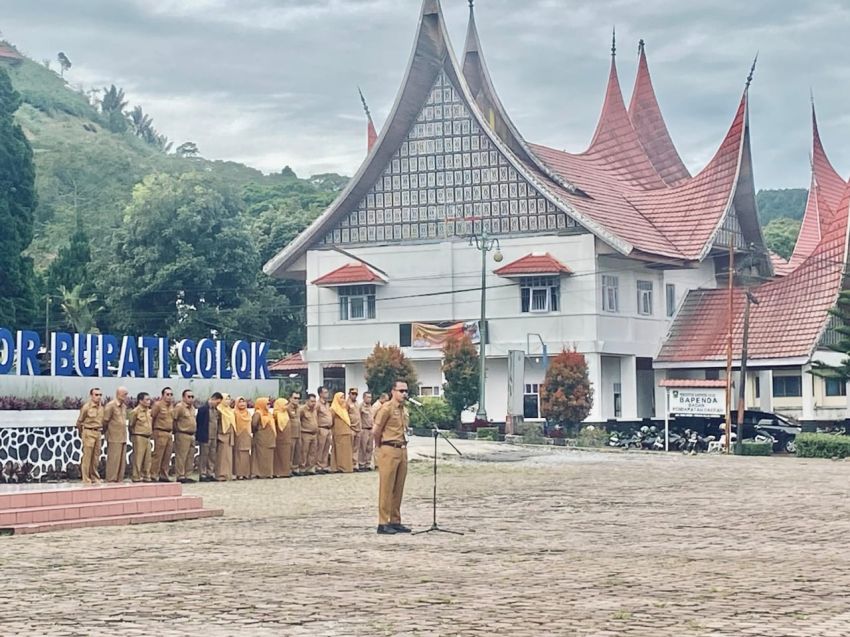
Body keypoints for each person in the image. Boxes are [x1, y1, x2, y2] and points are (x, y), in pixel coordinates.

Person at [374, 380, 411, 534]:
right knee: (386, 487)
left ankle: (395, 520)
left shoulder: (404, 409)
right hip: (389, 448)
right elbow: (376, 430)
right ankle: (383, 522)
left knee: (398, 487)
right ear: (393, 391)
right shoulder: (386, 408)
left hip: (402, 448)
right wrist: (380, 446)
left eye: (405, 391)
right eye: (401, 391)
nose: (404, 394)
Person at [75, 388, 104, 484]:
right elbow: (79, 422)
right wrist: (82, 433)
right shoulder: (86, 407)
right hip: (88, 432)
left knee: (95, 457)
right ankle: (86, 477)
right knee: (87, 456)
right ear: (91, 396)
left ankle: (94, 476)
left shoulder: (101, 408)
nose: (98, 397)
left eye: (100, 395)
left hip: (98, 432)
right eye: (96, 395)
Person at [102, 386, 129, 482]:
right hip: (113, 436)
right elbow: (105, 421)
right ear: (118, 394)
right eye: (124, 394)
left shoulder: (124, 407)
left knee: (121, 461)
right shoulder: (111, 406)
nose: (126, 396)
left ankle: (119, 479)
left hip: (122, 436)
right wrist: (106, 432)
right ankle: (111, 479)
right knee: (114, 459)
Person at [172, 389, 198, 483]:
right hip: (182, 434)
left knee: (190, 456)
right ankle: (180, 475)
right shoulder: (179, 407)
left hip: (191, 434)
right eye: (188, 397)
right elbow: (174, 419)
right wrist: (177, 431)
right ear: (183, 397)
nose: (191, 399)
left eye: (192, 397)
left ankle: (188, 474)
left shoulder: (192, 408)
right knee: (181, 456)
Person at [150, 387, 175, 482]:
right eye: (167, 394)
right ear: (163, 395)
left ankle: (164, 475)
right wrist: (152, 431)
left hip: (169, 433)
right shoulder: (158, 405)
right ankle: (153, 474)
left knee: (167, 455)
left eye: (171, 395)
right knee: (158, 455)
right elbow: (152, 417)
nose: (169, 397)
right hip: (160, 431)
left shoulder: (172, 406)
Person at [196, 392, 223, 482]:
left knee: (212, 456)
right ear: (213, 399)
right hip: (205, 435)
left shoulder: (216, 411)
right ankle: (202, 474)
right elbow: (199, 423)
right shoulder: (203, 409)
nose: (217, 404)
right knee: (204, 455)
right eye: (217, 402)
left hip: (213, 436)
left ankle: (210, 473)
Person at [128, 392, 153, 482]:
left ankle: (146, 475)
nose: (149, 401)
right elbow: (131, 425)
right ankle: (136, 476)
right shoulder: (135, 411)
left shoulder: (149, 411)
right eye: (146, 399)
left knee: (148, 458)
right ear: (140, 401)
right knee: (138, 458)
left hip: (147, 436)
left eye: (149, 399)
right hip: (139, 436)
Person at [251, 397, 276, 479]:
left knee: (268, 456)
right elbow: (254, 425)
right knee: (261, 456)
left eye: (269, 404)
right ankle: (259, 473)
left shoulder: (268, 413)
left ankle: (267, 473)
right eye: (267, 404)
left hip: (269, 439)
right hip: (261, 438)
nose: (268, 405)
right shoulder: (258, 413)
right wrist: (258, 432)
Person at [331, 391, 354, 473]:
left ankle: (347, 467)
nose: (343, 399)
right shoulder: (333, 409)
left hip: (347, 431)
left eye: (343, 397)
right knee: (339, 451)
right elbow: (331, 420)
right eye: (341, 397)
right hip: (338, 432)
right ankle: (339, 467)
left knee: (347, 451)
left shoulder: (344, 408)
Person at [216, 394, 236, 481]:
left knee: (228, 456)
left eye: (229, 399)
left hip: (229, 435)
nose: (228, 401)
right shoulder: (219, 410)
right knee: (222, 456)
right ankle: (221, 474)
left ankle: (228, 473)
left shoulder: (230, 411)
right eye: (226, 399)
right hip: (222, 435)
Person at [298, 393, 319, 475]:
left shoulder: (315, 410)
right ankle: (302, 468)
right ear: (307, 401)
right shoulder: (302, 410)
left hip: (314, 434)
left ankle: (310, 468)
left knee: (313, 452)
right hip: (305, 433)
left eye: (314, 401)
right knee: (304, 451)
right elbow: (299, 420)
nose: (313, 403)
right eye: (311, 401)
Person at [233, 397, 252, 479]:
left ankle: (246, 473)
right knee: (238, 454)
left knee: (246, 454)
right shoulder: (234, 413)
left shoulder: (248, 413)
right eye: (239, 402)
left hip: (247, 435)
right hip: (238, 435)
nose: (242, 404)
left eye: (243, 402)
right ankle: (239, 473)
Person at [273, 397, 292, 478]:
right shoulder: (276, 414)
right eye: (285, 404)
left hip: (287, 438)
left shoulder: (286, 413)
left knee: (286, 456)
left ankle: (285, 472)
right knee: (279, 456)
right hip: (280, 439)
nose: (287, 406)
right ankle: (278, 472)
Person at [316, 387, 333, 474]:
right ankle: (318, 466)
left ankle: (324, 465)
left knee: (326, 448)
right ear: (320, 394)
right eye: (325, 392)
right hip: (321, 428)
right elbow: (315, 416)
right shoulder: (317, 404)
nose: (327, 394)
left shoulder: (327, 404)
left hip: (329, 429)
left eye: (327, 392)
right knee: (320, 448)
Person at [358, 391, 375, 471]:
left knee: (370, 448)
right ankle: (362, 464)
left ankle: (368, 463)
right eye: (368, 397)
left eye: (370, 397)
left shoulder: (371, 406)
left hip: (371, 429)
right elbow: (358, 417)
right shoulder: (361, 406)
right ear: (364, 398)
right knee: (363, 447)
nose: (369, 399)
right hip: (364, 429)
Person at [347, 388, 363, 471]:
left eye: (356, 394)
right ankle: (349, 464)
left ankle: (355, 464)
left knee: (356, 448)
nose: (354, 395)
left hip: (358, 428)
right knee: (350, 447)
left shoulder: (357, 403)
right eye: (352, 394)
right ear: (349, 394)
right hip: (351, 428)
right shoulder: (346, 403)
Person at [288, 391, 302, 476]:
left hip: (298, 433)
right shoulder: (287, 408)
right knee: (290, 451)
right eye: (295, 398)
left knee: (297, 451)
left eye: (298, 398)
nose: (297, 400)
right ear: (290, 398)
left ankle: (295, 468)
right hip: (291, 434)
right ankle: (289, 468)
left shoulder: (299, 408)